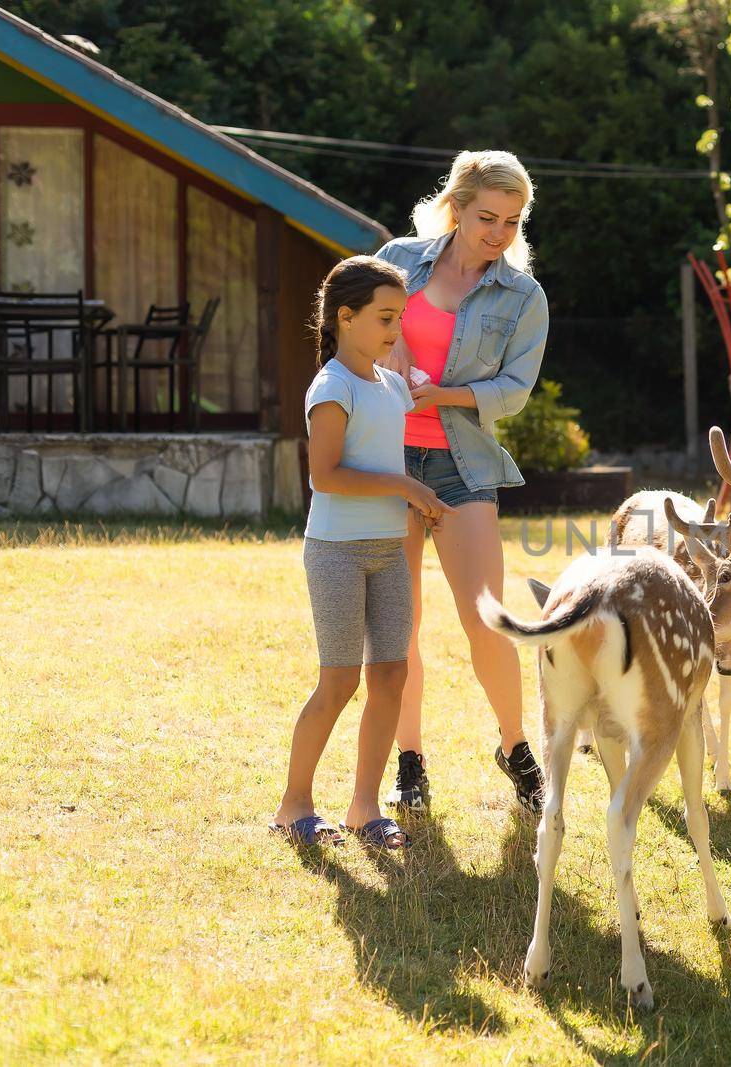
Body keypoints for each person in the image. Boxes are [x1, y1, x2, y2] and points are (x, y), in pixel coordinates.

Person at [374, 150, 550, 816]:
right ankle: (410, 758)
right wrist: (378, 352)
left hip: (460, 465)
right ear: (457, 204)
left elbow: (514, 390)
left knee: (486, 618)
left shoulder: (522, 296)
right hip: (385, 461)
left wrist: (440, 393)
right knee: (399, 625)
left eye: (511, 221)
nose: (498, 233)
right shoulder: (397, 257)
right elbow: (353, 332)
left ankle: (515, 746)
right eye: (486, 217)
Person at [270, 256, 451, 849]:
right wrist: (405, 487)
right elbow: (325, 476)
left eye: (399, 317)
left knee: (392, 674)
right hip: (337, 552)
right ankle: (294, 804)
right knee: (340, 679)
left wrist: (431, 388)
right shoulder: (332, 386)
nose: (395, 330)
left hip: (387, 550)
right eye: (384, 317)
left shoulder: (387, 384)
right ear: (344, 317)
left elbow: (412, 405)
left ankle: (365, 808)